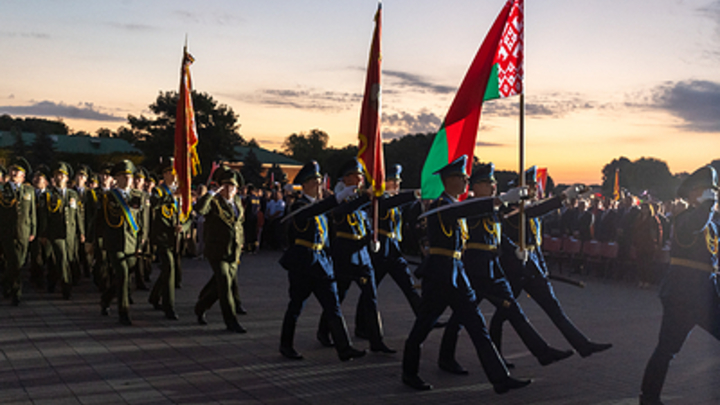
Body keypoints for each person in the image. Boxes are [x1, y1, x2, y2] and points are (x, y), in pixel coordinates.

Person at [401, 155, 531, 393]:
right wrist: (499, 199)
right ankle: (409, 372)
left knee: (477, 327)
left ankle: (500, 378)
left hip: (458, 274)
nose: (466, 181)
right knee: (422, 328)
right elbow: (465, 209)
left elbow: (470, 209)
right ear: (450, 180)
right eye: (463, 177)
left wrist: (502, 202)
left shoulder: (457, 205)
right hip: (440, 276)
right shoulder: (441, 205)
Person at [437, 163, 574, 374]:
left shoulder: (492, 207)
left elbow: (519, 220)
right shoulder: (470, 205)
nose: (493, 186)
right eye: (487, 183)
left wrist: (517, 248)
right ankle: (446, 358)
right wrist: (501, 200)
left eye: (494, 183)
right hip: (475, 270)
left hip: (492, 269)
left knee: (508, 311)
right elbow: (476, 214)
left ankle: (542, 352)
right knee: (463, 317)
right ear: (476, 186)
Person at [489, 166, 612, 363]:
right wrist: (563, 197)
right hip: (514, 267)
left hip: (532, 265)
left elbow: (535, 238)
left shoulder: (529, 209)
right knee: (504, 312)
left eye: (533, 186)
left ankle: (582, 345)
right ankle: (495, 356)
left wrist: (542, 266)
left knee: (553, 308)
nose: (533, 190)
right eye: (528, 187)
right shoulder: (508, 209)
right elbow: (527, 215)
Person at [639, 166, 719, 405]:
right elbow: (697, 224)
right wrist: (707, 206)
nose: (711, 195)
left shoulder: (712, 223)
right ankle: (649, 397)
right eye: (706, 190)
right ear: (694, 194)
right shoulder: (684, 219)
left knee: (666, 349)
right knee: (666, 349)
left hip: (705, 294)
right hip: (682, 296)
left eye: (712, 190)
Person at [278, 160, 366, 361]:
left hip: (322, 263)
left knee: (333, 306)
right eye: (316, 182)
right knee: (296, 307)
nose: (320, 185)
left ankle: (344, 348)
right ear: (306, 185)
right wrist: (338, 197)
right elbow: (315, 211)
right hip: (303, 264)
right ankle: (285, 345)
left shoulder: (319, 206)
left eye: (320, 181)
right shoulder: (300, 206)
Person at [316, 158, 396, 354]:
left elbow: (365, 220)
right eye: (356, 176)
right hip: (345, 254)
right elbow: (343, 211)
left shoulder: (360, 198)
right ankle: (323, 331)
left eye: (361, 176)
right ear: (346, 178)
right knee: (339, 296)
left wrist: (372, 236)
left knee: (371, 298)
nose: (360, 180)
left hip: (363, 255)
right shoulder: (340, 197)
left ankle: (376, 340)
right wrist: (364, 199)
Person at [354, 164, 422, 339]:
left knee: (409, 286)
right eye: (393, 181)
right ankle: (361, 325)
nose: (397, 184)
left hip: (394, 249)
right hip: (380, 250)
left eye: (398, 181)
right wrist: (412, 194)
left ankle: (424, 316)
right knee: (371, 290)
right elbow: (388, 204)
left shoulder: (395, 199)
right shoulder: (380, 199)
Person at [194, 167, 248, 333]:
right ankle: (231, 321)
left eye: (232, 186)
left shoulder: (237, 202)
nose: (229, 189)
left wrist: (241, 243)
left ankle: (201, 307)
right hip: (218, 250)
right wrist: (210, 194)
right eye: (225, 186)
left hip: (234, 250)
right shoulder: (214, 202)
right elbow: (200, 210)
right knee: (224, 285)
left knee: (220, 285)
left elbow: (239, 224)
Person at [99, 160, 143, 326]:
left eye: (129, 176)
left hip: (131, 243)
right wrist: (91, 241)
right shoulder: (108, 197)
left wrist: (140, 243)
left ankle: (106, 299)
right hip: (114, 242)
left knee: (123, 278)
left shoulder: (137, 197)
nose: (128, 180)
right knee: (123, 274)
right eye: (124, 176)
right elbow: (99, 221)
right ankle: (123, 312)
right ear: (116, 178)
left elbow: (140, 222)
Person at [148, 158, 189, 320]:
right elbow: (154, 203)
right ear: (164, 175)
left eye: (176, 174)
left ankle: (154, 296)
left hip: (176, 239)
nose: (174, 177)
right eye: (171, 174)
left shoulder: (182, 193)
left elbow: (188, 216)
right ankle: (169, 306)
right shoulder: (158, 191)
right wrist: (172, 196)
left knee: (167, 271)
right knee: (170, 268)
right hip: (163, 237)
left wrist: (183, 227)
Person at [38, 162, 85, 299]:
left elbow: (77, 215)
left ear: (67, 178)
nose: (59, 177)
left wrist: (81, 231)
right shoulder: (48, 195)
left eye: (62, 175)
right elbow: (44, 216)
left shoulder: (73, 194)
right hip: (55, 233)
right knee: (62, 258)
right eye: (57, 175)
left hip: (70, 233)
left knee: (66, 259)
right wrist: (44, 233)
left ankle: (52, 281)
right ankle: (66, 287)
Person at [0, 158, 36, 306]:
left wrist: (33, 230)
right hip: (7, 231)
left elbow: (32, 212)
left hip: (24, 231)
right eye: (13, 171)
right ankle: (17, 292)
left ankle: (6, 283)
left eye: (18, 171)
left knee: (19, 263)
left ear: (24, 175)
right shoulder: (3, 190)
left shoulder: (29, 190)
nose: (15, 173)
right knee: (13, 261)